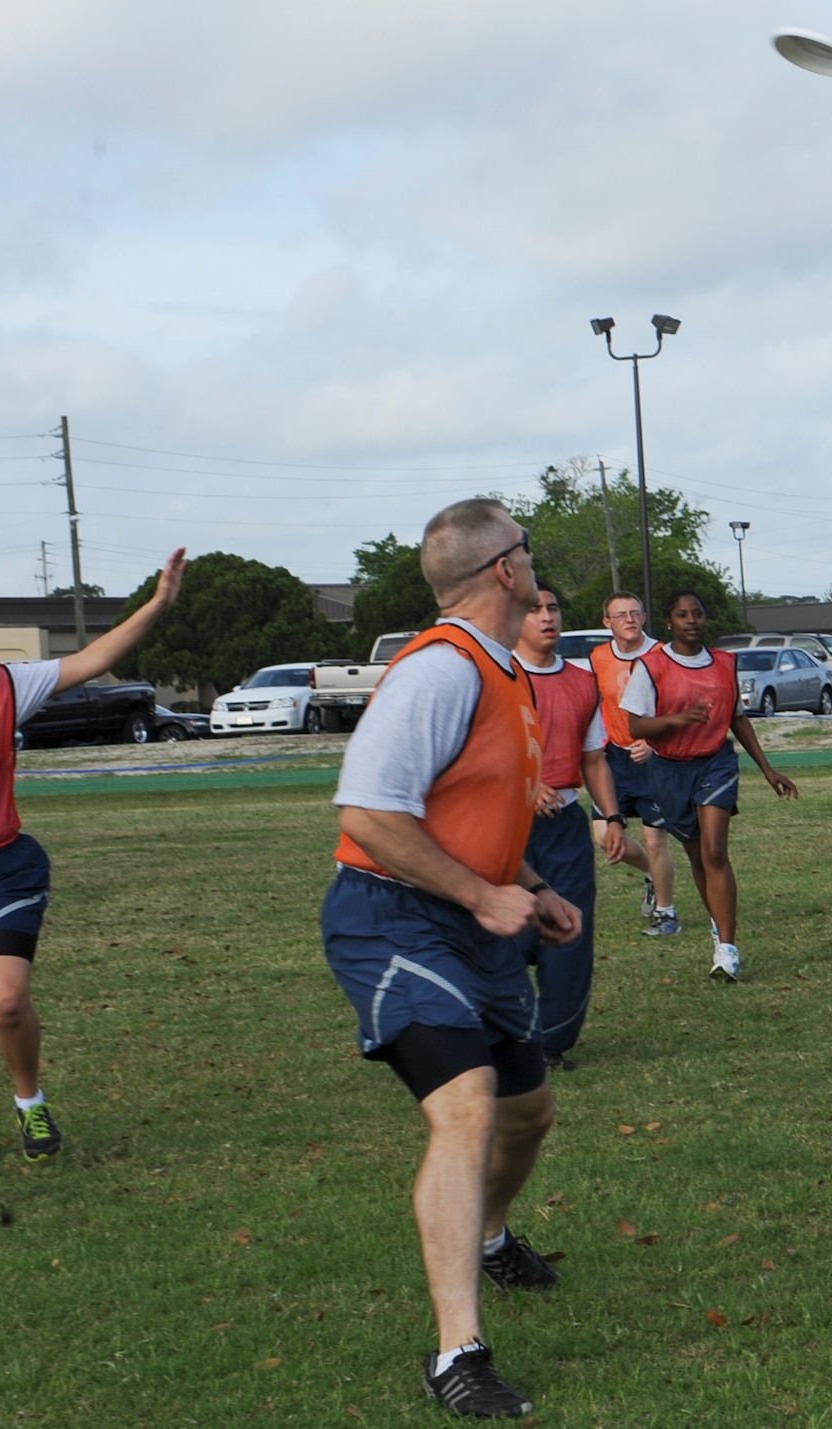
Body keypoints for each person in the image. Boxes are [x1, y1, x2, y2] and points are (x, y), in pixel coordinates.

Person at [321, 499, 583, 1419]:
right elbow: (367, 814)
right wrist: (479, 894)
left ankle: (490, 1232)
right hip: (393, 920)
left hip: (475, 923)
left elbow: (467, 813)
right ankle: (457, 1354)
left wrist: (531, 885)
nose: (536, 566)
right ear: (505, 570)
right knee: (466, 1107)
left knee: (528, 1113)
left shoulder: (505, 673)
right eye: (529, 549)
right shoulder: (438, 669)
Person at [0, 550, 186, 1169]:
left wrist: (157, 604)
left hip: (1, 864)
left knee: (5, 998)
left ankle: (31, 1101)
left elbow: (94, 659)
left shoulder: (1, 686)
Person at [620, 590, 798, 982]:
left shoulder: (723, 664)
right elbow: (635, 726)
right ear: (669, 622)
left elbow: (737, 719)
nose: (691, 621)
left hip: (715, 763)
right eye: (682, 615)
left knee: (715, 851)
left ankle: (728, 950)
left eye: (697, 613)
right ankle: (719, 925)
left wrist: (768, 769)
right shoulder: (651, 666)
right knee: (698, 857)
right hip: (669, 771)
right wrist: (678, 720)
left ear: (705, 619)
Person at [514, 582, 628, 1073]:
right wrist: (524, 783)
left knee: (570, 931)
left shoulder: (583, 682)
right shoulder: (497, 677)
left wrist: (613, 815)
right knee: (509, 932)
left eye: (553, 607)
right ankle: (499, 1033)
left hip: (565, 822)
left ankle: (551, 1043)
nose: (546, 617)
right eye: (535, 609)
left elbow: (594, 758)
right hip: (505, 826)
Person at [588, 592, 680, 935]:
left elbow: (676, 707)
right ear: (607, 623)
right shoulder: (597, 657)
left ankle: (667, 914)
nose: (629, 619)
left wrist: (653, 742)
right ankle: (652, 876)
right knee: (604, 838)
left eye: (634, 613)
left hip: (656, 760)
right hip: (614, 760)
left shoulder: (663, 656)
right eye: (620, 614)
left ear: (643, 618)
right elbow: (595, 705)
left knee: (656, 840)